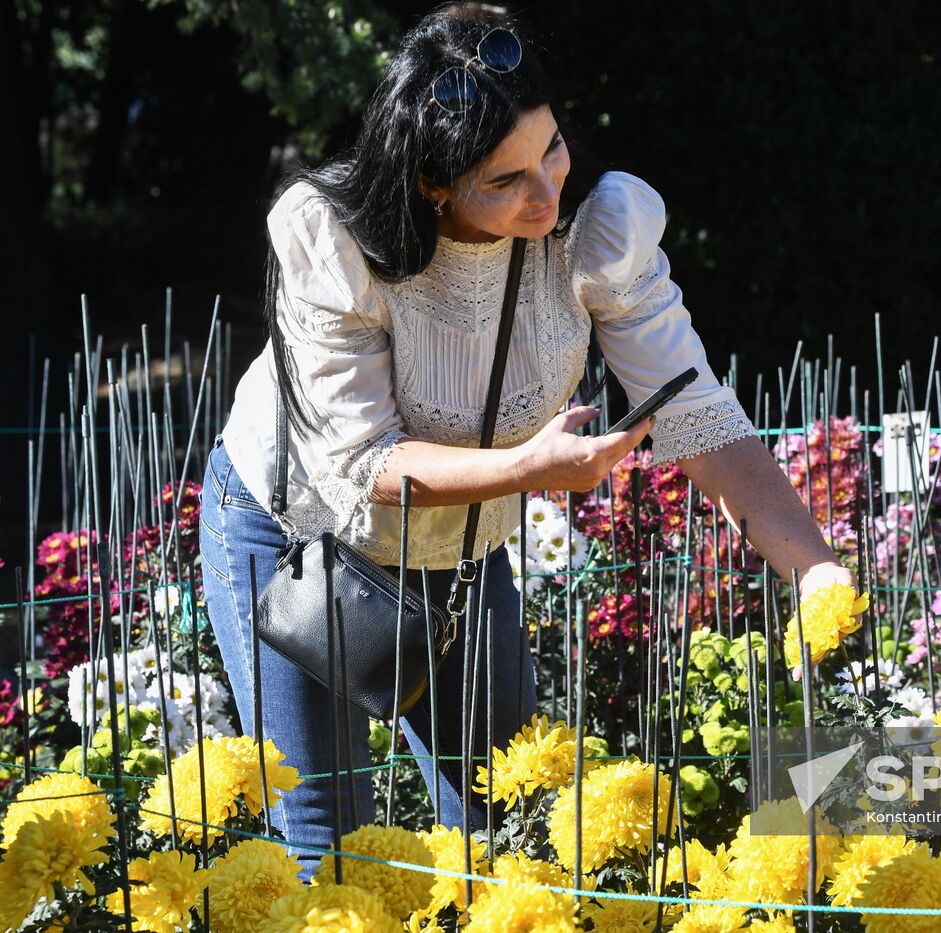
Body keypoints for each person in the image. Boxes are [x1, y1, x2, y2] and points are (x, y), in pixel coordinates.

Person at [199, 2, 854, 865]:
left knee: (505, 834)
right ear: (433, 184)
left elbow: (696, 414)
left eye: (551, 150)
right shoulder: (336, 240)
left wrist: (815, 568)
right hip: (302, 537)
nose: (546, 192)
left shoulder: (599, 230)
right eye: (504, 180)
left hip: (459, 548)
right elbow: (363, 461)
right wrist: (527, 467)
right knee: (332, 847)